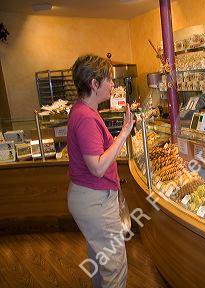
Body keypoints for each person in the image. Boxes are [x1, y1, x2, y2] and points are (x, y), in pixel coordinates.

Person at [67, 54, 134, 287]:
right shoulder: (86, 117)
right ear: (94, 84)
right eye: (109, 80)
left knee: (100, 258)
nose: (113, 85)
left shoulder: (83, 110)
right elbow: (97, 167)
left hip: (89, 196)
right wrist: (125, 132)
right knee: (115, 267)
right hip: (95, 199)